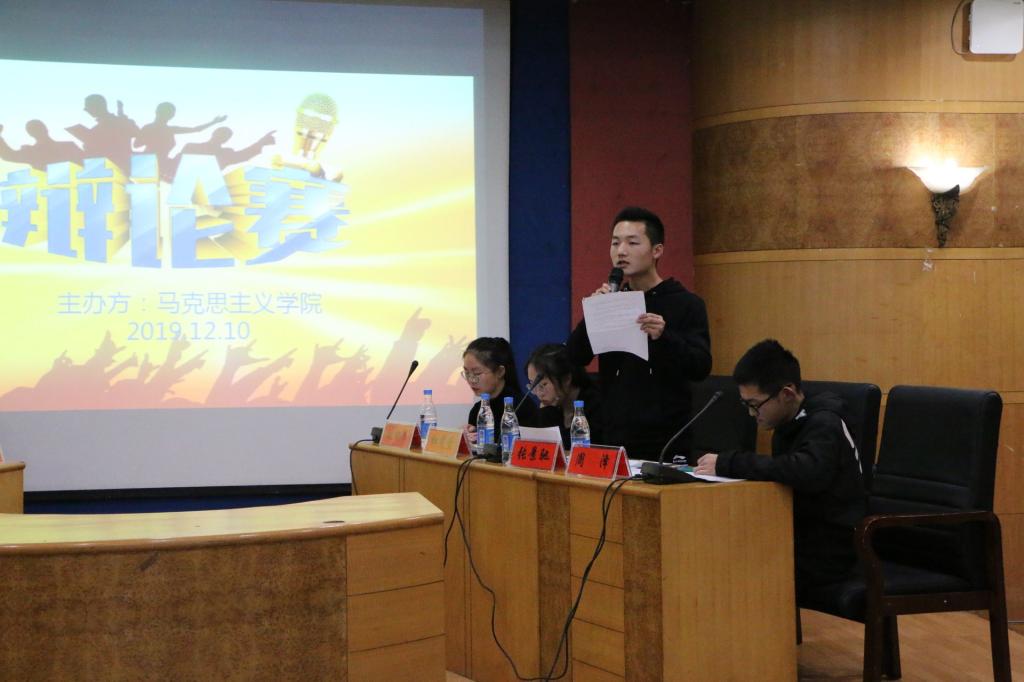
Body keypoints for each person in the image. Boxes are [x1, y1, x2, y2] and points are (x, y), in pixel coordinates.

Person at [694, 339, 866, 597]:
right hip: (798, 536)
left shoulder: (826, 422)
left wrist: (731, 463)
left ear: (787, 394)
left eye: (754, 405)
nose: (752, 414)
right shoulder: (788, 423)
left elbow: (806, 471)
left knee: (733, 566)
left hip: (832, 549)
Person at [567, 206, 712, 460]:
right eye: (615, 243)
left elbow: (700, 367)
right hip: (613, 435)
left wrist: (665, 336)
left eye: (632, 243)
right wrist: (594, 314)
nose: (621, 251)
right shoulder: (613, 300)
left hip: (665, 439)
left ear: (657, 250)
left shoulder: (686, 303)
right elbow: (574, 357)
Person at [525, 343, 603, 449]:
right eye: (533, 385)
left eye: (543, 385)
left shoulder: (596, 404)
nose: (539, 393)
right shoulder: (550, 408)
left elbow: (576, 448)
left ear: (566, 379)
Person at [462, 337, 538, 446]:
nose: (471, 380)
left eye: (477, 373)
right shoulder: (477, 410)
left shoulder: (522, 406)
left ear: (500, 372)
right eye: (467, 373)